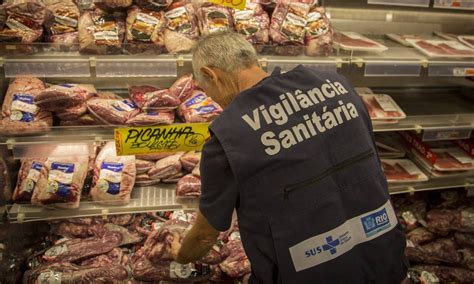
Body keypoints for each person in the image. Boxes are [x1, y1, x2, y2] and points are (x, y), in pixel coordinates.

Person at [173, 32, 408, 284]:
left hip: (308, 271)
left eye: (207, 90)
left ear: (211, 75)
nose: (213, 101)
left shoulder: (227, 134)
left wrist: (181, 255)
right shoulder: (337, 84)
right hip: (383, 255)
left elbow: (204, 237)